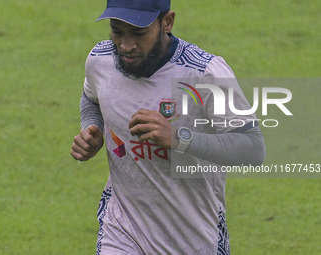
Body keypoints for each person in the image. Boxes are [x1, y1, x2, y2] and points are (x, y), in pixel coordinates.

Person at [71, 0, 266, 254]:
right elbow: (91, 97)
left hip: (193, 236)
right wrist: (92, 127)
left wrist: (179, 137)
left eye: (139, 33)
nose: (126, 45)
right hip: (122, 229)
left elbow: (253, 148)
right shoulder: (101, 61)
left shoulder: (205, 74)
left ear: (167, 22)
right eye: (117, 31)